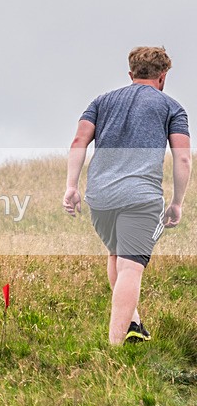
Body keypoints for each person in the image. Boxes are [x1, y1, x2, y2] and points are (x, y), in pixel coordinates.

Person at [63, 46, 191, 346]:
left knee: (117, 256)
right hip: (141, 197)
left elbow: (79, 141)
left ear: (131, 74)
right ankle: (115, 346)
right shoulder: (172, 107)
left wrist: (71, 186)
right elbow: (183, 158)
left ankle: (134, 325)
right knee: (131, 266)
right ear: (163, 76)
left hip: (101, 197)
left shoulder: (100, 102)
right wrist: (177, 203)